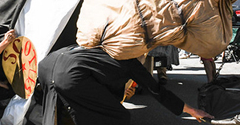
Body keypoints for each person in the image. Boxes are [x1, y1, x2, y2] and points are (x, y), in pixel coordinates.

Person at [38, 45, 214, 125]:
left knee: (60, 113)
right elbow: (157, 91)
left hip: (47, 64)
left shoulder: (100, 48)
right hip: (69, 74)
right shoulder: (130, 61)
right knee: (117, 116)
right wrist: (192, 110)